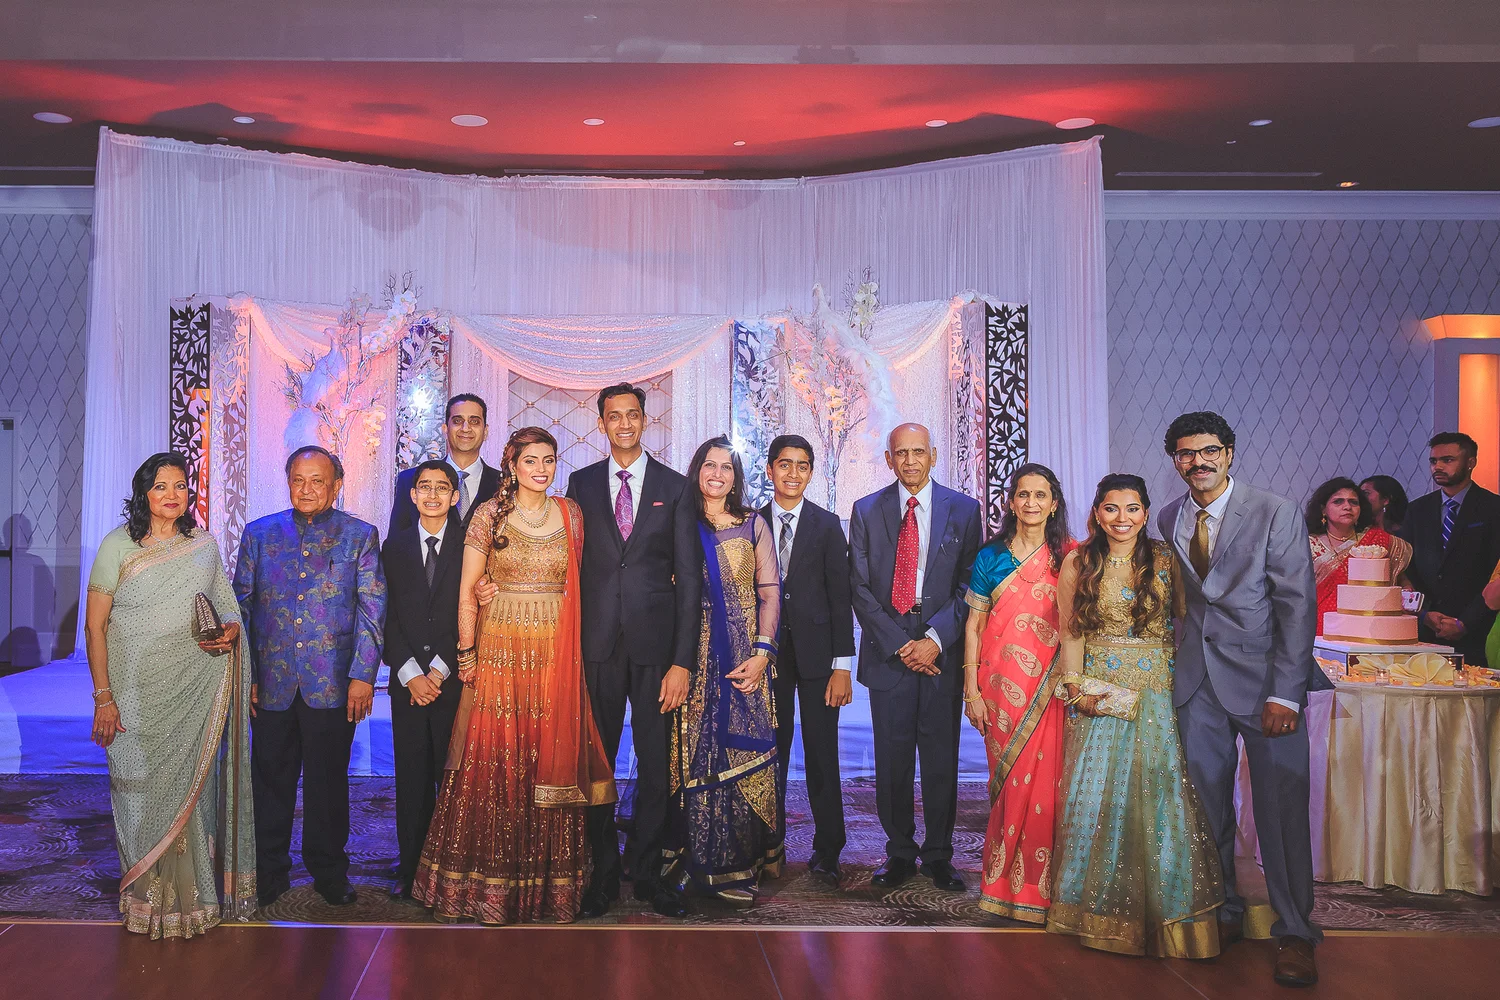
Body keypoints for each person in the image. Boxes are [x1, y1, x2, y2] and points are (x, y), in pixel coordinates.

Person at [414, 427, 615, 923]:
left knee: (549, 752)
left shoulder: (571, 513)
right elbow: (468, 590)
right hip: (500, 647)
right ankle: (487, 884)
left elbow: (586, 580)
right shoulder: (489, 514)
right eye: (531, 460)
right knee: (497, 755)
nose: (541, 469)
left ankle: (549, 886)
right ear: (512, 465)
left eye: (549, 460)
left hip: (555, 650)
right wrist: (466, 654)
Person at [1157, 412, 1322, 987]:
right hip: (1197, 684)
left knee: (1281, 809)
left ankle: (1295, 931)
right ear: (1175, 460)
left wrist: (1287, 693)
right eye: (1186, 453)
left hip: (1266, 684)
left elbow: (1297, 604)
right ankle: (1222, 910)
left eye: (1209, 451)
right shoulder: (1169, 515)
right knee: (1205, 808)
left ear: (1228, 454)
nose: (1197, 462)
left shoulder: (1275, 511)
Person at [1048, 473, 1223, 958]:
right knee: (1098, 797)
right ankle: (1099, 911)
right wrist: (1076, 687)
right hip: (1101, 693)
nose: (1121, 518)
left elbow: (1189, 618)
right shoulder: (1079, 561)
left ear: (1146, 513)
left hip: (1157, 694)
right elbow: (1071, 630)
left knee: (1161, 795)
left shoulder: (1165, 559)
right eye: (1111, 508)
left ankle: (1169, 916)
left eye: (1131, 509)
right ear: (1096, 513)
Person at [84, 452, 255, 939]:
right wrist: (103, 697)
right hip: (134, 690)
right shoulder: (118, 545)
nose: (172, 495)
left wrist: (230, 631)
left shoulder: (202, 545)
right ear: (144, 493)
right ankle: (144, 897)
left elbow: (227, 608)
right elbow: (95, 627)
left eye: (180, 486)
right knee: (137, 788)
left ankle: (191, 902)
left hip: (191, 687)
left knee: (191, 789)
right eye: (161, 486)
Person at [564, 383, 700, 918]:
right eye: (614, 416)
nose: (624, 423)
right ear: (601, 423)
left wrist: (682, 661)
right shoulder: (579, 484)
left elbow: (689, 580)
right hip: (595, 647)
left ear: (645, 420)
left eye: (633, 415)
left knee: (656, 763)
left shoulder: (675, 486)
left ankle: (646, 874)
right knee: (595, 765)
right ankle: (600, 877)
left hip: (655, 650)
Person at [234, 445, 386, 908]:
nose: (306, 489)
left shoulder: (359, 536)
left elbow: (372, 610)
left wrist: (362, 676)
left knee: (327, 784)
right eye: (298, 480)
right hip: (271, 683)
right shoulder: (260, 534)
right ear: (288, 482)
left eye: (317, 481)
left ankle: (329, 871)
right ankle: (269, 872)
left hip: (333, 683)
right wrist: (248, 674)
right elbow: (241, 608)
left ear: (336, 485)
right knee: (270, 783)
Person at [849, 422, 982, 892]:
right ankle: (900, 852)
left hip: (940, 647)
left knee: (941, 758)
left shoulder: (964, 509)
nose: (910, 461)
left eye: (918, 452)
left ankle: (939, 855)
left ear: (934, 455)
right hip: (889, 650)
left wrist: (934, 639)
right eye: (901, 453)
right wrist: (902, 644)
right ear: (889, 459)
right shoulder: (866, 510)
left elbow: (971, 584)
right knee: (893, 759)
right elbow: (858, 587)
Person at [662, 435, 784, 904]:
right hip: (693, 656)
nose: (717, 474)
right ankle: (692, 858)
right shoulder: (680, 523)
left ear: (736, 476)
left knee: (739, 753)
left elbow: (769, 592)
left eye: (727, 467)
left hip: (743, 657)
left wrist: (763, 653)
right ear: (697, 471)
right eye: (709, 465)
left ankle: (737, 862)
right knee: (694, 754)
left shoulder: (753, 524)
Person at [961, 463, 1074, 923]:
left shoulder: (1070, 556)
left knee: (1051, 786)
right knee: (1009, 782)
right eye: (1023, 494)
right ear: (1011, 502)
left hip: (1052, 689)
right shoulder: (990, 557)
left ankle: (1044, 887)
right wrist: (970, 689)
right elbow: (974, 626)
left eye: (1040, 495)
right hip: (999, 688)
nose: (1031, 503)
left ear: (1054, 503)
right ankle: (1002, 882)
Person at [759, 434, 854, 886]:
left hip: (819, 660)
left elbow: (841, 597)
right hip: (767, 657)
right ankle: (767, 845)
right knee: (768, 753)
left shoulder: (827, 524)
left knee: (821, 753)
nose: (792, 473)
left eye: (802, 466)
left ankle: (828, 849)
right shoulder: (751, 521)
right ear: (770, 469)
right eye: (784, 464)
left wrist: (842, 666)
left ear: (811, 472)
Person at [380, 460, 465, 899]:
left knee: (450, 776)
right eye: (424, 487)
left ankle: (450, 866)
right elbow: (386, 615)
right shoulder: (393, 547)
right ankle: (411, 867)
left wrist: (440, 668)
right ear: (412, 496)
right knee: (411, 777)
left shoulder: (471, 544)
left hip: (454, 680)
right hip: (408, 682)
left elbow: (471, 612)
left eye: (442, 487)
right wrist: (411, 673)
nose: (433, 495)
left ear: (455, 496)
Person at [1399, 432, 1500, 665]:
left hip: (1479, 630)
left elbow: (1494, 572)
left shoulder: (1493, 508)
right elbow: (1406, 567)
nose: (1438, 467)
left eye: (1448, 460)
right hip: (1425, 631)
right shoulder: (1418, 509)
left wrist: (1465, 623)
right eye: (1433, 461)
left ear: (1471, 462)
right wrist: (1425, 614)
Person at [1307, 477, 1412, 635]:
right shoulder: (1307, 544)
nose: (1347, 507)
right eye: (1338, 502)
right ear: (1323, 510)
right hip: (1318, 630)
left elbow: (1402, 582)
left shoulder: (1379, 541)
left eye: (1353, 502)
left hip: (1369, 630)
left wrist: (1407, 596)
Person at [389, 393, 502, 536]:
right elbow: (396, 543)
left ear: (485, 431)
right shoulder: (409, 480)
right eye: (457, 421)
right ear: (445, 429)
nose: (465, 428)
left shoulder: (504, 483)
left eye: (474, 422)